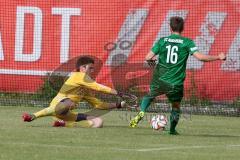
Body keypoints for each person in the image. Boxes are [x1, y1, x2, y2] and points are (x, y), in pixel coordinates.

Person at [129, 16, 226, 134]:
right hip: (175, 82)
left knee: (149, 96)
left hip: (159, 79)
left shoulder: (162, 41)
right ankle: (172, 130)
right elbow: (200, 57)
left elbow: (148, 57)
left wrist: (153, 64)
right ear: (183, 28)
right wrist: (218, 57)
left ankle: (142, 111)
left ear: (170, 28)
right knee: (175, 106)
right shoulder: (187, 42)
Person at [22, 56, 125, 128]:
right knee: (68, 102)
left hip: (66, 114)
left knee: (98, 123)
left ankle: (64, 124)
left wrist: (118, 104)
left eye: (93, 68)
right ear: (82, 68)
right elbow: (97, 87)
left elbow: (99, 105)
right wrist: (117, 92)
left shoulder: (85, 89)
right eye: (90, 68)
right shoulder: (78, 76)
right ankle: (32, 116)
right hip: (58, 107)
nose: (92, 71)